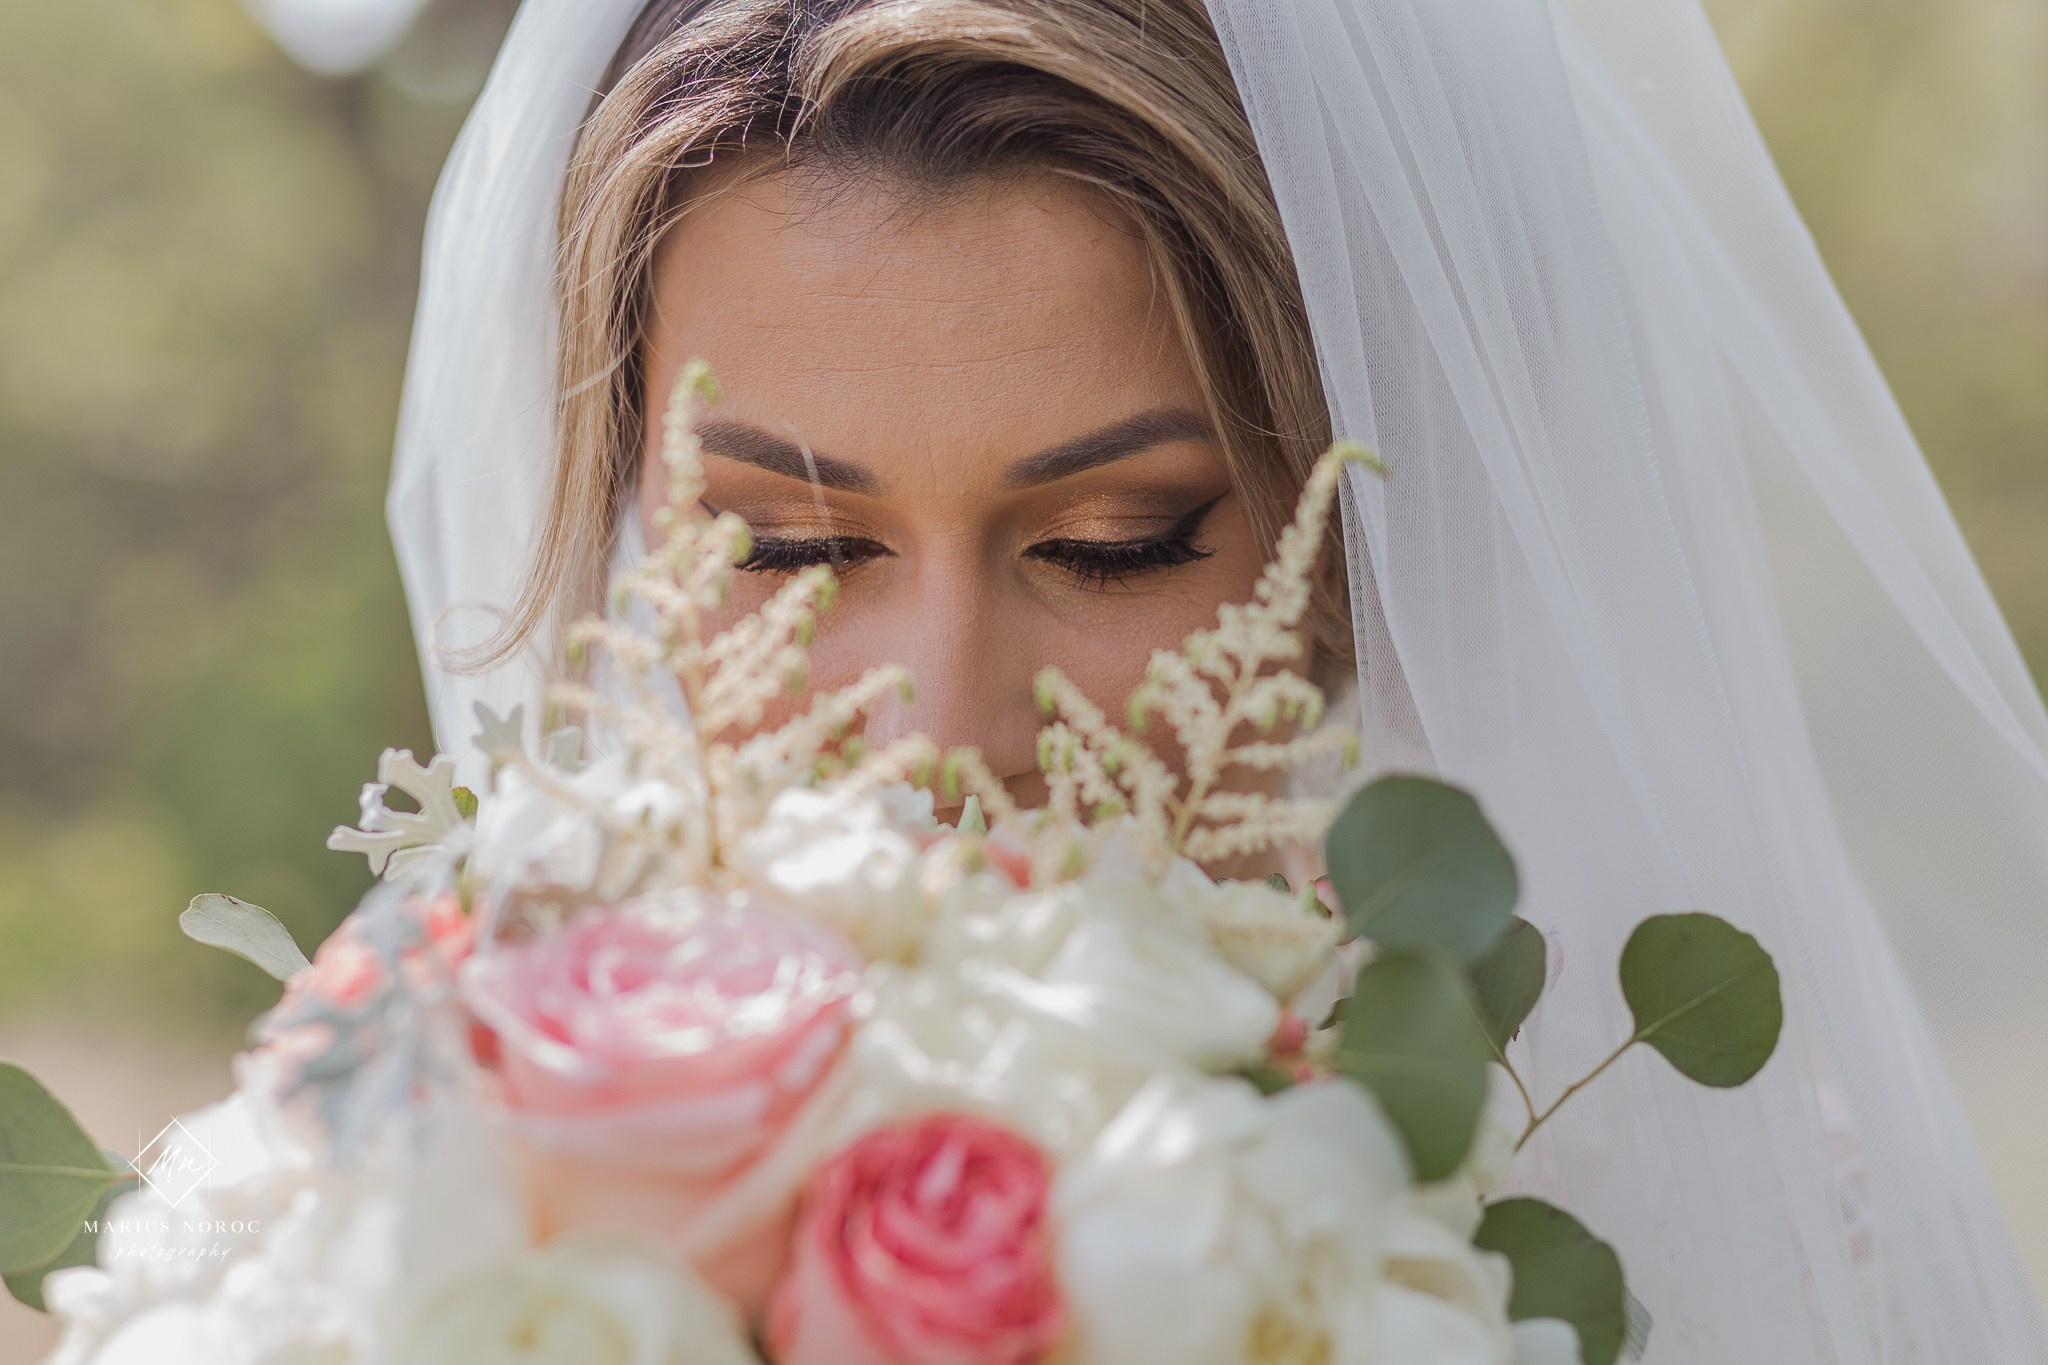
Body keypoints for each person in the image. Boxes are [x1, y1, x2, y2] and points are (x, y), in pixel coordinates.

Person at [387, 0, 2048, 1359]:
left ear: (1357, 554)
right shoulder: (440, 1216)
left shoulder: (1714, 1262)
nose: (943, 731)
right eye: (788, 549)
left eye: (1115, 541)